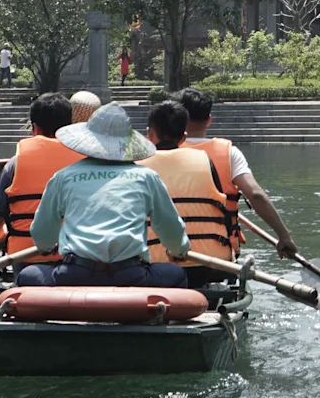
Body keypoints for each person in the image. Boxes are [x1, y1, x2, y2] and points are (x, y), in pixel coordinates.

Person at [15, 103, 190, 288]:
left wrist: (47, 247)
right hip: (130, 274)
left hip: (75, 274)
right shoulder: (147, 177)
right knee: (177, 275)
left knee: (28, 275)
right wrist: (178, 250)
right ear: (127, 143)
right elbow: (171, 229)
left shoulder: (63, 177)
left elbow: (42, 234)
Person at [177, 87, 299, 260]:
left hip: (168, 255)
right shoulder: (230, 154)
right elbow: (255, 195)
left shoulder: (160, 153)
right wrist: (284, 236)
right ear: (209, 120)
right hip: (219, 255)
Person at [140, 101, 235, 284]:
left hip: (154, 266)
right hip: (210, 263)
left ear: (149, 135)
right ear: (184, 137)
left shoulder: (135, 166)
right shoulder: (204, 159)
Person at [0, 93, 82, 265]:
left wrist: (6, 238)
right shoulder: (86, 162)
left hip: (25, 258)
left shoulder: (14, 165)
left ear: (34, 128)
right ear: (70, 126)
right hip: (79, 260)